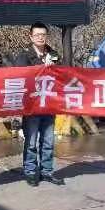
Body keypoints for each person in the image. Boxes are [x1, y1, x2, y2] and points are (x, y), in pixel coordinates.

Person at [14, 23, 64, 187]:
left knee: (48, 141)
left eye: (43, 35)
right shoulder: (24, 55)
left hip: (49, 104)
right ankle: (30, 172)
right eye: (37, 35)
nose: (40, 38)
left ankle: (46, 171)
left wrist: (53, 66)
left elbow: (62, 73)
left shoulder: (53, 53)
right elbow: (20, 74)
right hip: (32, 105)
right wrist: (41, 66)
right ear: (31, 37)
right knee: (31, 141)